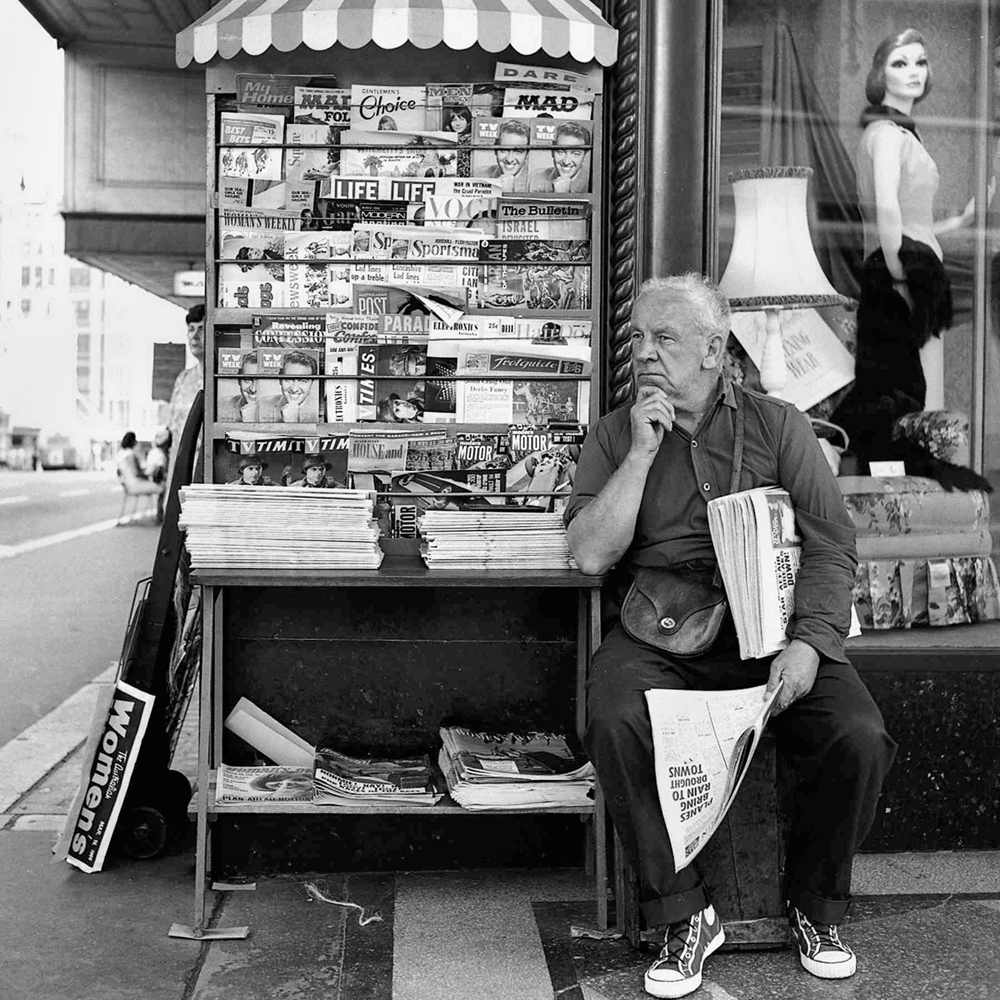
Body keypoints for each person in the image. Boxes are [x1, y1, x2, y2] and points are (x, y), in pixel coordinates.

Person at [564, 274, 896, 998]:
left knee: (859, 735)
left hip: (776, 631)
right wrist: (643, 455)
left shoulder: (780, 425)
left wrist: (810, 641)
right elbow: (589, 553)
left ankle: (816, 906)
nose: (645, 353)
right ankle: (684, 914)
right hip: (663, 631)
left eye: (666, 339)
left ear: (715, 348)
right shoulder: (616, 433)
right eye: (638, 339)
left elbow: (833, 544)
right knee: (612, 718)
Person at [832, 29, 986, 483]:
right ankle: (899, 499)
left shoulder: (898, 133)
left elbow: (905, 221)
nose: (913, 72)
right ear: (881, 73)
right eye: (900, 63)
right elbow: (885, 213)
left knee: (917, 397)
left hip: (916, 277)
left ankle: (912, 500)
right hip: (905, 280)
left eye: (920, 62)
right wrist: (901, 278)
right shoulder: (884, 135)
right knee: (907, 398)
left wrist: (956, 225)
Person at [166, 303, 205, 487]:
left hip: (203, 471)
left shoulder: (220, 380)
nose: (195, 336)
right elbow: (173, 429)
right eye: (191, 329)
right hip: (179, 467)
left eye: (201, 329)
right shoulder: (182, 379)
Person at [528, 121, 591, 194]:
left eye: (576, 154)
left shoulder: (593, 183)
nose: (566, 162)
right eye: (560, 152)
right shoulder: (535, 177)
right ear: (552, 151)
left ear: (585, 155)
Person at [257, 351, 320, 423]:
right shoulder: (263, 404)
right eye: (289, 379)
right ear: (280, 380)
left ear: (312, 383)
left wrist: (292, 422)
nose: (294, 389)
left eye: (303, 381)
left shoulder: (318, 412)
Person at [483, 119, 530, 193]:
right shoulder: (480, 175)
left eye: (518, 152)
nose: (509, 159)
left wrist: (507, 193)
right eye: (504, 150)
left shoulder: (535, 181)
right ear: (495, 150)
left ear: (527, 154)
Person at [116, 431, 164, 504]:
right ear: (133, 442)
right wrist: (149, 474)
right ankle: (161, 513)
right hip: (135, 484)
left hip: (128, 485)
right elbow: (136, 473)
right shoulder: (130, 455)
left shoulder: (120, 454)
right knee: (162, 488)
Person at [217, 351, 261, 423]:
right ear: (238, 380)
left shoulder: (277, 409)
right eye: (247, 380)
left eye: (260, 381)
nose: (253, 389)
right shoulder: (221, 407)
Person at [143, 428, 171, 523]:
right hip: (156, 480)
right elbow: (159, 470)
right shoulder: (160, 454)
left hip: (150, 478)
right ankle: (160, 515)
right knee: (164, 490)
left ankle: (160, 514)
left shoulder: (152, 452)